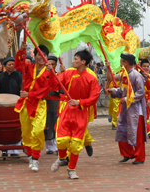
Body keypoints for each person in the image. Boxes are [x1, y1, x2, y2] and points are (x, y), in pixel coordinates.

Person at [50, 50, 100, 179]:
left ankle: (71, 169)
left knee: (76, 143)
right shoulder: (68, 73)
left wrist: (79, 102)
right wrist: (52, 72)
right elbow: (54, 85)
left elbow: (94, 97)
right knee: (62, 139)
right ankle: (61, 157)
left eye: (76, 58)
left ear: (83, 62)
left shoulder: (91, 78)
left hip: (80, 112)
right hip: (67, 110)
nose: (73, 61)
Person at [14, 42, 56, 172]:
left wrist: (52, 73)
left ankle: (35, 158)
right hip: (26, 103)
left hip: (39, 104)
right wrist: (21, 51)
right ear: (35, 55)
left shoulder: (48, 71)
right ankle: (31, 154)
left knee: (38, 131)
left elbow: (50, 88)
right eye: (39, 54)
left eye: (44, 55)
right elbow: (17, 65)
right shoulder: (28, 67)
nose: (41, 57)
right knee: (26, 133)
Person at [107, 53, 147, 164]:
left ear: (125, 62)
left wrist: (126, 98)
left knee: (137, 134)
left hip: (135, 110)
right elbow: (118, 87)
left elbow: (141, 93)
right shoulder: (124, 74)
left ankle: (140, 157)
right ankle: (128, 154)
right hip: (126, 109)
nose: (120, 63)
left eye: (121, 61)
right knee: (121, 130)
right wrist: (113, 90)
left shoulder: (136, 75)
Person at [0, 56, 22, 157]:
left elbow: (22, 89)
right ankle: (4, 148)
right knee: (4, 127)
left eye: (13, 64)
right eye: (9, 64)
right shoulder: (0, 77)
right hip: (3, 106)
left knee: (17, 127)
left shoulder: (19, 76)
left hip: (17, 105)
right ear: (4, 66)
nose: (12, 66)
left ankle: (15, 151)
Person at [44, 55, 61, 155]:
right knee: (47, 125)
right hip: (45, 103)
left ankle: (58, 145)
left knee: (57, 125)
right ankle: (49, 147)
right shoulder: (42, 75)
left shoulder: (59, 75)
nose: (50, 66)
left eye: (53, 64)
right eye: (48, 64)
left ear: (56, 65)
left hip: (56, 103)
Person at [139, 58, 150, 139]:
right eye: (144, 66)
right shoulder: (137, 76)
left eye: (148, 66)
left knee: (146, 116)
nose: (146, 68)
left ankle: (148, 131)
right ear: (140, 66)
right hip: (138, 100)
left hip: (146, 100)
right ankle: (148, 131)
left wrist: (149, 100)